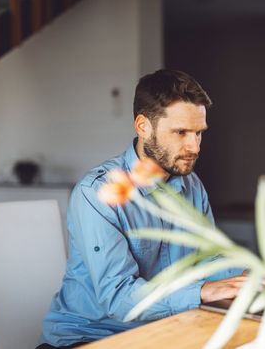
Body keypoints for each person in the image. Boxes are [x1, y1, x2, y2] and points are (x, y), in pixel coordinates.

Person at [38, 69, 247, 349]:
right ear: (143, 126)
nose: (194, 146)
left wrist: (253, 274)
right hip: (88, 337)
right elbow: (119, 298)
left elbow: (205, 259)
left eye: (199, 133)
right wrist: (204, 291)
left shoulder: (191, 185)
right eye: (181, 132)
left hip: (161, 332)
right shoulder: (97, 193)